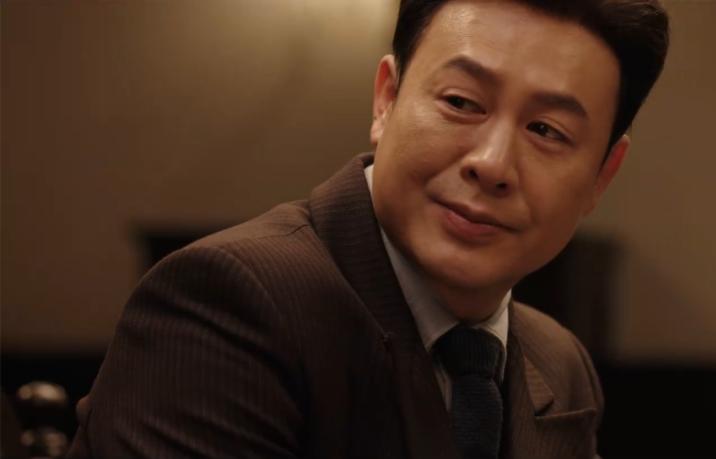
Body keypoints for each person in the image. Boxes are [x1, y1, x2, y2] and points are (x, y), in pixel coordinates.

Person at [67, 0, 668, 457]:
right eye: (461, 102)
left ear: (602, 176)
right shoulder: (230, 305)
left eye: (547, 131)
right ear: (386, 99)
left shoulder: (558, 364)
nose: (491, 164)